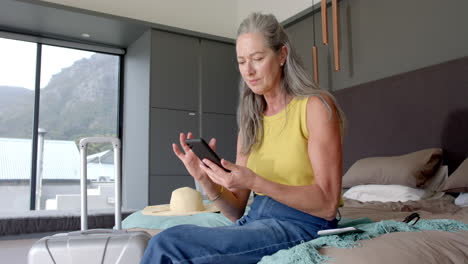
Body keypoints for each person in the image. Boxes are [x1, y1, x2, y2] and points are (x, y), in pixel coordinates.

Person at [140, 12, 346, 264]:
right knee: (170, 237)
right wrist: (205, 179)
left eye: (258, 59)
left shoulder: (315, 107)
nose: (248, 71)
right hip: (256, 221)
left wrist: (257, 182)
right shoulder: (251, 120)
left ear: (282, 55)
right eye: (241, 61)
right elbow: (236, 211)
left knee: (168, 245)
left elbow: (327, 204)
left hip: (302, 223)